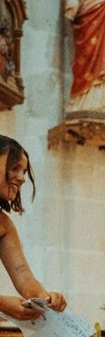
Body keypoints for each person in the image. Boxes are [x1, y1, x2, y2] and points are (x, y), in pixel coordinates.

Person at [0, 136, 67, 320]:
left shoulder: (4, 226)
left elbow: (24, 276)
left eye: (24, 171)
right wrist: (2, 304)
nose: (22, 178)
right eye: (14, 168)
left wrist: (45, 298)